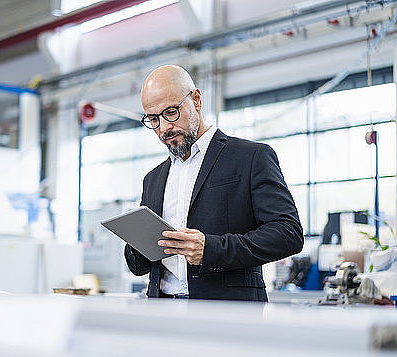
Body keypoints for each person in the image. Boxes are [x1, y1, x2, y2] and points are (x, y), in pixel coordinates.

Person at [124, 65, 303, 301]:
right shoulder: (153, 179)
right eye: (153, 119)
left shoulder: (250, 157)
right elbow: (139, 267)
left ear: (196, 100)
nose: (164, 128)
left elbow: (288, 233)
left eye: (170, 113)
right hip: (162, 311)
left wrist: (211, 249)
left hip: (227, 313)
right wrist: (136, 242)